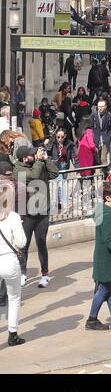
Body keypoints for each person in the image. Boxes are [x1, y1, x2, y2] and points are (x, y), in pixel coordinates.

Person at [14, 142, 57, 286]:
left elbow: (54, 173)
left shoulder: (39, 163)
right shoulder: (18, 170)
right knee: (23, 245)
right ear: (24, 159)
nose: (34, 155)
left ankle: (45, 274)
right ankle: (22, 273)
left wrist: (46, 159)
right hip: (26, 214)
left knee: (41, 243)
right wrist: (39, 161)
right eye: (31, 154)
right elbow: (33, 176)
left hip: (42, 212)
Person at [86, 179, 111, 331]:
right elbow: (109, 240)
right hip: (108, 259)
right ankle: (92, 319)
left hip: (108, 258)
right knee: (104, 289)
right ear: (107, 197)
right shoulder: (108, 216)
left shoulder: (104, 211)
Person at [0, 176, 25, 346]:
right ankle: (12, 333)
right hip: (9, 260)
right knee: (14, 298)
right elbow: (22, 242)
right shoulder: (13, 217)